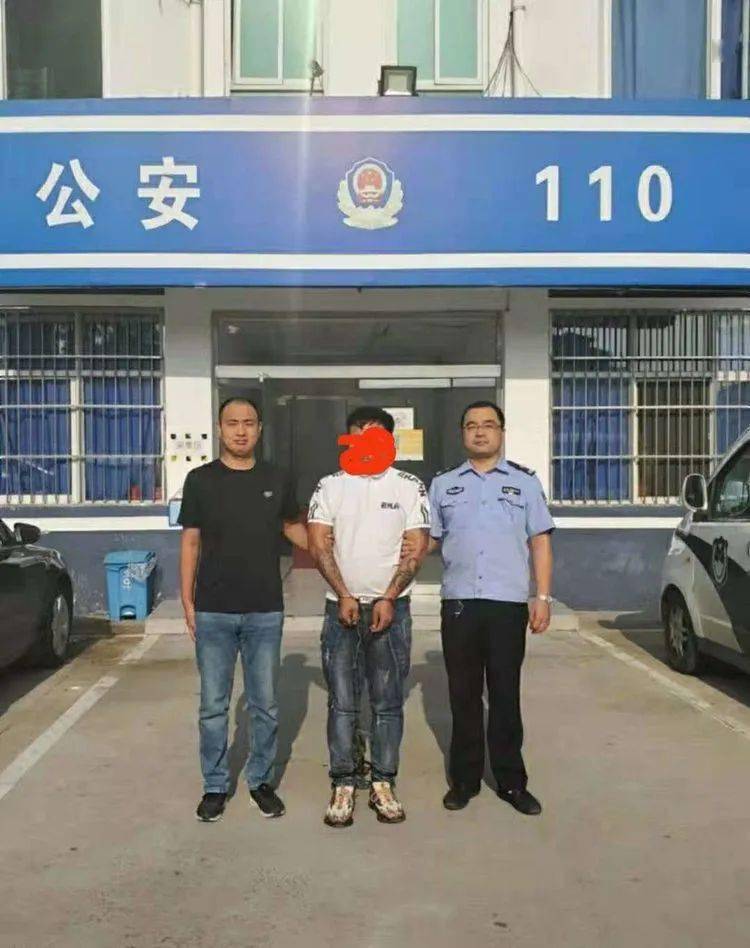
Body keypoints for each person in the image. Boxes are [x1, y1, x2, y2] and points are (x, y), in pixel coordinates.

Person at [179, 397, 308, 823]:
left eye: (248, 423)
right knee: (213, 706)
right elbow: (191, 542)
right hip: (214, 610)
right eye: (232, 423)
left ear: (260, 429)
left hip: (264, 610)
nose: (240, 430)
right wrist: (187, 601)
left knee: (265, 704)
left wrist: (333, 545)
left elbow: (292, 528)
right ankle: (215, 785)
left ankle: (260, 781)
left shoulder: (276, 477)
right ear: (219, 428)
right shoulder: (200, 480)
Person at [428, 400, 554, 816]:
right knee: (463, 695)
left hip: (506, 604)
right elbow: (428, 540)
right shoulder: (444, 485)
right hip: (460, 603)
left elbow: (540, 541)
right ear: (462, 434)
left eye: (488, 425)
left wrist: (542, 597)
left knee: (504, 694)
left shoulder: (525, 483)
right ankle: (464, 781)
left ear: (501, 432)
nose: (480, 432)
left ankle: (512, 782)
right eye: (471, 426)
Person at [308, 407, 430, 828]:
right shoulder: (330, 485)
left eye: (374, 434)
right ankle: (343, 781)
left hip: (392, 609)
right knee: (342, 702)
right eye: (357, 434)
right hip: (339, 607)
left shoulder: (408, 486)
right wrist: (344, 593)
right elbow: (318, 543)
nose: (365, 441)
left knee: (387, 701)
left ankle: (382, 781)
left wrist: (389, 596)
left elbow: (417, 545)